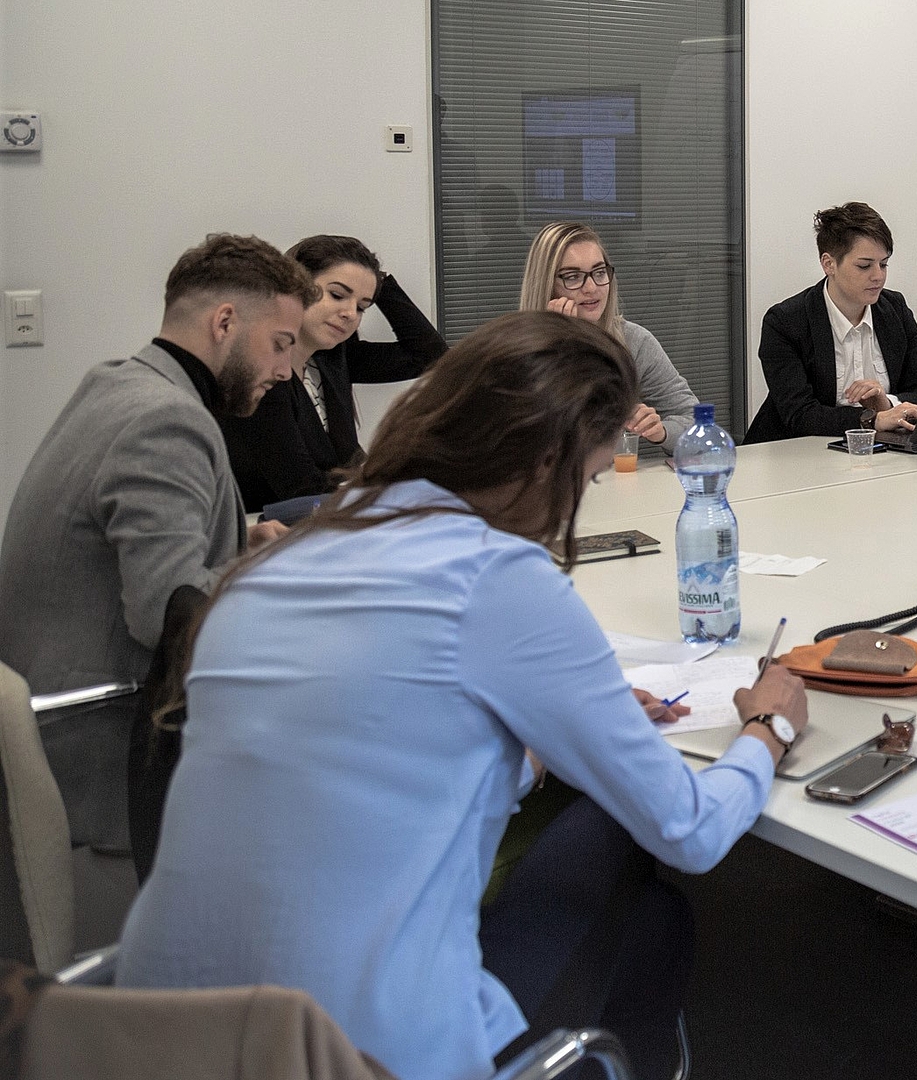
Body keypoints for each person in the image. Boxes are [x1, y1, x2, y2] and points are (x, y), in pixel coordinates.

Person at [117, 311, 809, 1080]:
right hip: (361, 1055)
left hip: (154, 1036)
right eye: (584, 481)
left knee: (635, 901)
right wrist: (769, 726)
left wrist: (535, 742)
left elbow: (382, 759)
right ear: (546, 462)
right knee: (639, 880)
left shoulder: (284, 559)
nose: (573, 508)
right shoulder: (498, 578)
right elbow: (690, 831)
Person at [0, 234, 310, 849]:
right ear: (225, 322)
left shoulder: (117, 383)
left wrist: (242, 541)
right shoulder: (165, 419)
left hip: (61, 722)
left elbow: (121, 548)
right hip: (106, 753)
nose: (286, 370)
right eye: (281, 344)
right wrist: (292, 579)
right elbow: (167, 613)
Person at [218, 234, 449, 511]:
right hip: (269, 528)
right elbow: (304, 490)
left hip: (330, 520)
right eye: (337, 295)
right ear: (294, 285)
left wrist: (378, 282)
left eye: (361, 307)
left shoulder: (330, 358)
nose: (350, 313)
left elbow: (429, 356)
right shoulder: (260, 376)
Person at [756, 201, 917, 438]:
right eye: (864, 266)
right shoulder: (785, 322)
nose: (878, 276)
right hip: (797, 450)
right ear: (829, 264)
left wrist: (887, 403)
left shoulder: (895, 309)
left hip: (883, 450)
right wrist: (873, 420)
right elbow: (800, 415)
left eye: (883, 264)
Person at [519, 220, 696, 454]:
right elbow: (524, 443)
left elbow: (696, 424)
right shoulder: (518, 348)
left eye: (599, 272)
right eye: (572, 277)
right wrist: (559, 347)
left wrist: (661, 431)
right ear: (547, 285)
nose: (591, 288)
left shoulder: (633, 341)